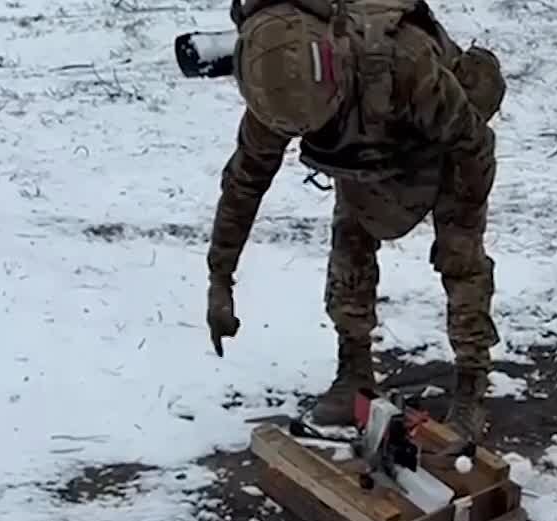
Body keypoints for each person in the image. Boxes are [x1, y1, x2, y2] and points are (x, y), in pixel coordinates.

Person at [203, 0, 505, 440]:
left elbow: (474, 145)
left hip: (440, 144)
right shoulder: (279, 86)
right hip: (362, 156)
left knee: (460, 261)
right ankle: (355, 372)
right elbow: (243, 186)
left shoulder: (405, 61)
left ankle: (471, 386)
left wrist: (462, 221)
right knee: (349, 246)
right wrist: (220, 279)